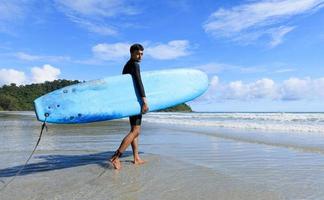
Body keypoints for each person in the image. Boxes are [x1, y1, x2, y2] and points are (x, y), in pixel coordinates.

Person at [110, 43, 149, 170]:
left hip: (130, 101)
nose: (140, 56)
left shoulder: (127, 65)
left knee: (134, 130)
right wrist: (144, 101)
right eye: (138, 53)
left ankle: (136, 157)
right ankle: (116, 157)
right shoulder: (134, 65)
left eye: (142, 54)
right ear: (131, 53)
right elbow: (139, 82)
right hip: (136, 101)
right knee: (136, 131)